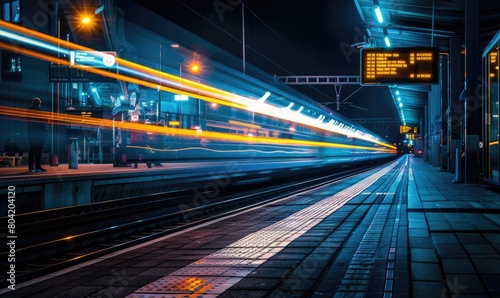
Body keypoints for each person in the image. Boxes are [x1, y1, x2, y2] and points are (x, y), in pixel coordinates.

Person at [27, 97, 48, 172]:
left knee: (32, 150)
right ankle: (38, 166)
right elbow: (45, 121)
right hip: (40, 134)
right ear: (39, 104)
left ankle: (31, 167)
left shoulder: (29, 111)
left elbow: (29, 123)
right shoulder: (40, 111)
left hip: (32, 133)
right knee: (38, 151)